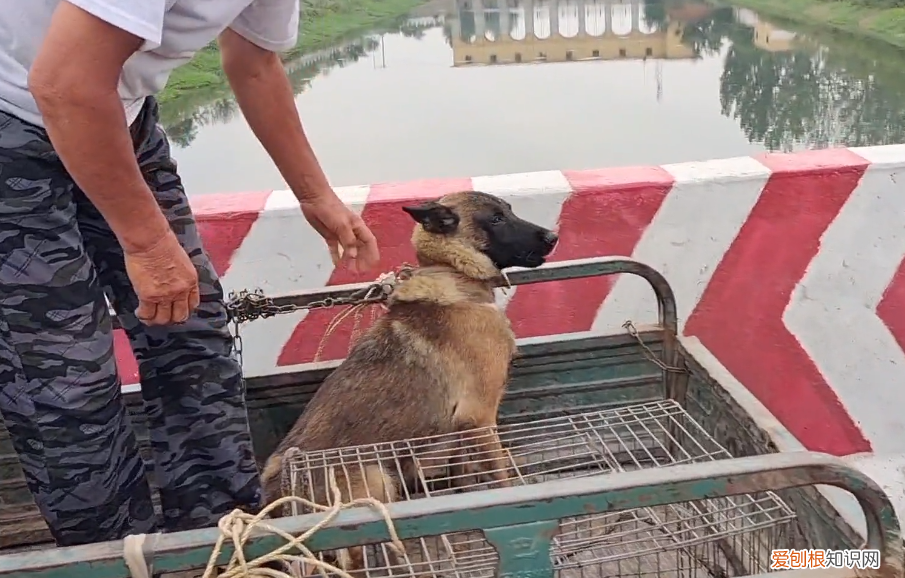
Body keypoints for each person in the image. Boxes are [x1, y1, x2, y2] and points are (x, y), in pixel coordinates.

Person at [0, 0, 380, 547]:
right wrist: (149, 245)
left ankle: (219, 540)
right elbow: (63, 86)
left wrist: (315, 195)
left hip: (115, 115)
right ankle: (118, 555)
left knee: (191, 331)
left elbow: (254, 61)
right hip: (20, 122)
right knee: (62, 378)